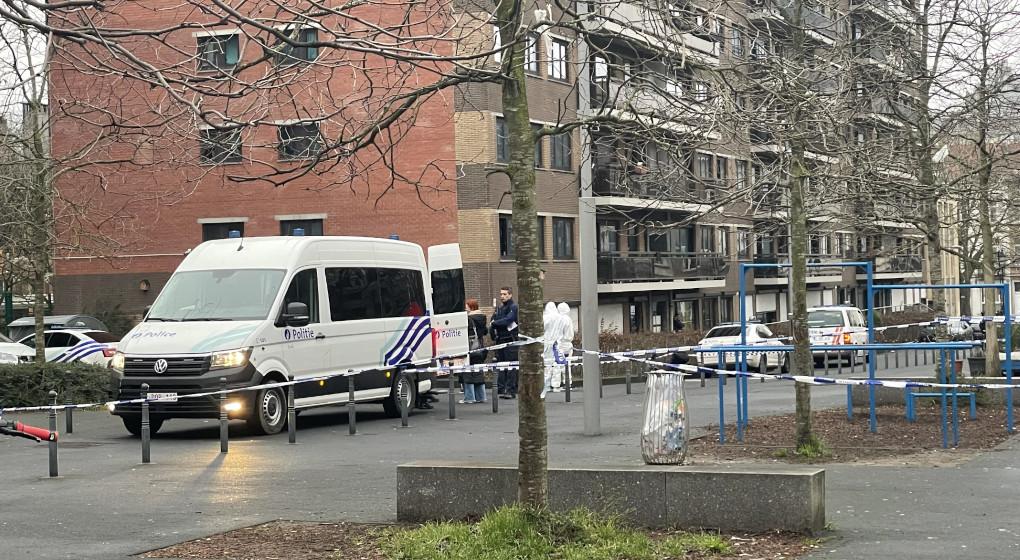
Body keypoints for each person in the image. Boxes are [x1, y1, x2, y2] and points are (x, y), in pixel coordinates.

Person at [490, 286, 519, 398]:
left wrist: (495, 324)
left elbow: (508, 320)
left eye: (505, 294)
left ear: (510, 295)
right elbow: (492, 321)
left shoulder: (513, 307)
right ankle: (501, 388)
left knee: (511, 365)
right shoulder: (499, 309)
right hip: (500, 340)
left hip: (510, 340)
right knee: (501, 364)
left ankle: (511, 390)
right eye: (501, 294)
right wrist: (493, 334)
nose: (502, 296)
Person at [461, 299, 488, 404]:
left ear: (471, 308)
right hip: (479, 347)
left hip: (470, 348)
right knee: (478, 372)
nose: (465, 309)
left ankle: (470, 397)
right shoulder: (482, 318)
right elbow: (485, 331)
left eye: (466, 307)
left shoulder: (469, 319)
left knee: (468, 372)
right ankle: (481, 396)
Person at [552, 302, 575, 391]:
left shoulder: (557, 319)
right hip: (567, 344)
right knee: (567, 365)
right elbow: (570, 333)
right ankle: (568, 383)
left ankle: (556, 385)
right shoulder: (568, 319)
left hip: (559, 344)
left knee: (557, 365)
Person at [540, 302, 559, 399]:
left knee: (547, 364)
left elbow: (542, 328)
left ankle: (546, 385)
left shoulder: (545, 317)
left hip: (546, 342)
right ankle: (556, 385)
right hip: (557, 343)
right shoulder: (559, 317)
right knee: (556, 364)